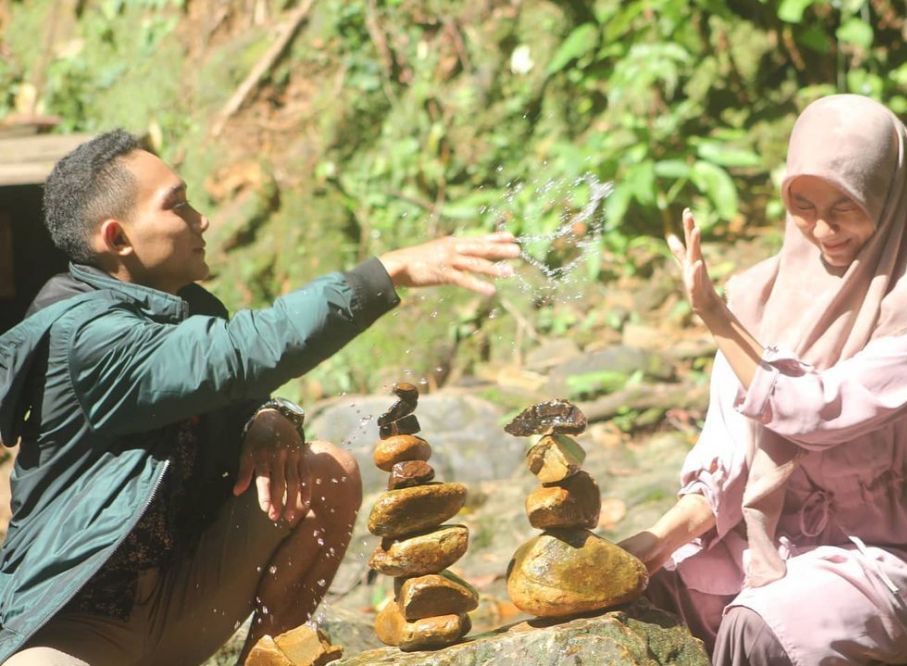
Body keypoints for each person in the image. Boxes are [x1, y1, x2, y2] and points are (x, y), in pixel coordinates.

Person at [0, 129, 520, 665]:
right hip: (76, 633)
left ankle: (272, 656)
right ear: (118, 239)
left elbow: (224, 387)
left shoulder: (185, 310)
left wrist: (269, 416)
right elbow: (239, 353)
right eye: (177, 206)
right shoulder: (88, 337)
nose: (201, 219)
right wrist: (388, 272)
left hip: (178, 607)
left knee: (327, 470)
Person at [620, 94, 907, 665]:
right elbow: (730, 452)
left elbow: (817, 412)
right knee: (644, 601)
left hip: (886, 552)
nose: (822, 229)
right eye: (803, 206)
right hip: (770, 539)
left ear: (889, 195)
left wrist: (716, 319)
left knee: (761, 627)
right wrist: (654, 544)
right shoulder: (759, 295)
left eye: (846, 205)